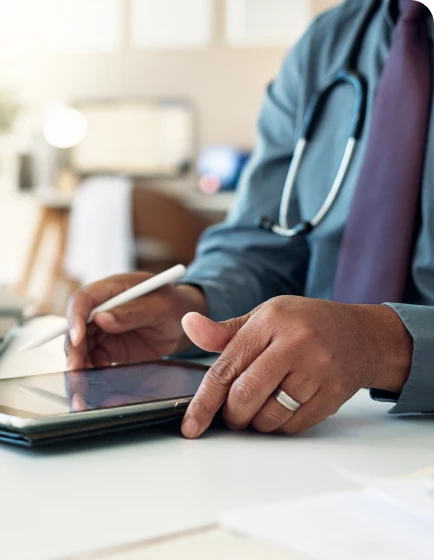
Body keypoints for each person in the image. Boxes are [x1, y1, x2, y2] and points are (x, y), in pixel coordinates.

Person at [66, 0, 434, 439]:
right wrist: (195, 306)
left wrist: (377, 345)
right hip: (320, 433)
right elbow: (259, 243)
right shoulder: (327, 44)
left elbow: (359, 341)